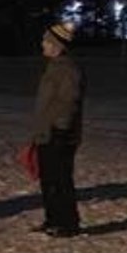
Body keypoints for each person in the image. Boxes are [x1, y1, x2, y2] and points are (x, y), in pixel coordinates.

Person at [31, 21, 85, 237]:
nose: (42, 44)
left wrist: (60, 129)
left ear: (56, 45)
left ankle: (67, 223)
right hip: (47, 133)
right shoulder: (55, 67)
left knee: (60, 180)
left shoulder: (68, 69)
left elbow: (68, 101)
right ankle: (53, 218)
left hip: (59, 134)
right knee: (49, 179)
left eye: (46, 41)